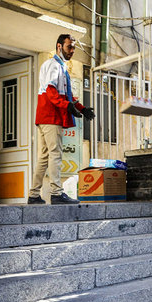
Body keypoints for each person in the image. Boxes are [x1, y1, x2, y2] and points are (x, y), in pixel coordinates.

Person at [28, 34, 95, 205]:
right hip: (51, 116)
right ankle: (56, 193)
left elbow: (66, 95)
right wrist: (66, 106)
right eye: (69, 47)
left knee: (44, 157)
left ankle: (34, 195)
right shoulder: (53, 65)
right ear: (59, 46)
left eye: (73, 47)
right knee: (55, 154)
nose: (72, 51)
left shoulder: (60, 66)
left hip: (46, 117)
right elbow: (51, 92)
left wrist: (81, 108)